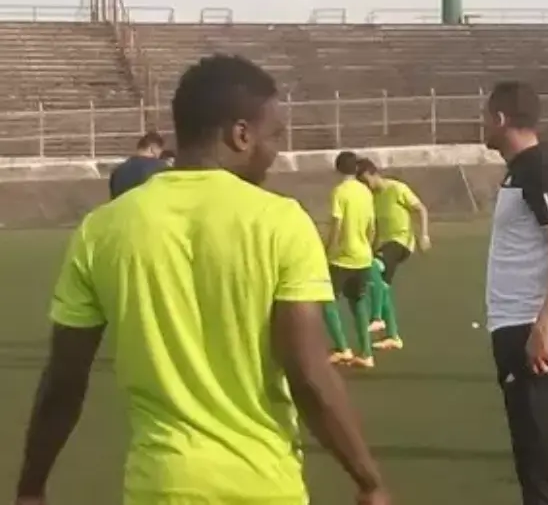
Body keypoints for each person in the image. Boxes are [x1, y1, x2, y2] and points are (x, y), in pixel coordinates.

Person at [13, 54, 388, 505]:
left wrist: (31, 486)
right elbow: (308, 373)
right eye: (274, 136)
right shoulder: (281, 222)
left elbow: (64, 379)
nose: (276, 151)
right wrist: (368, 480)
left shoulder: (101, 229)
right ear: (241, 134)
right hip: (263, 485)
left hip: (161, 485)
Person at [483, 81, 548, 505]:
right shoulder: (525, 170)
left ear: (500, 119)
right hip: (519, 325)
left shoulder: (539, 169)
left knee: (540, 460)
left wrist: (545, 325)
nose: (483, 125)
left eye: (485, 117)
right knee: (540, 454)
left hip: (529, 328)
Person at [355, 157, 432, 350]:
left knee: (372, 266)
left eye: (365, 180)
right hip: (384, 244)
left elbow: (421, 209)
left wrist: (424, 235)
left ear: (373, 174)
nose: (364, 185)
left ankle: (376, 317)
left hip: (401, 242)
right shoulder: (372, 197)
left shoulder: (397, 188)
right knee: (383, 287)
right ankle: (393, 336)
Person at [324, 150, 377, 368]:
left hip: (342, 257)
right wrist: (367, 247)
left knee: (327, 301)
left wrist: (329, 249)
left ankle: (342, 348)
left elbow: (336, 224)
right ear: (356, 168)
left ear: (337, 169)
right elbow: (372, 227)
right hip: (363, 256)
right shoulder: (365, 192)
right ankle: (366, 353)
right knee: (358, 302)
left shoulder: (339, 192)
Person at [108, 130, 167, 199]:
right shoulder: (160, 167)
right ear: (152, 149)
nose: (159, 157)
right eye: (159, 153)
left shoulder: (117, 171)